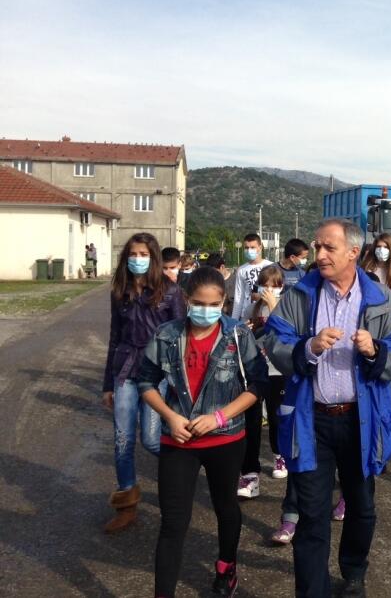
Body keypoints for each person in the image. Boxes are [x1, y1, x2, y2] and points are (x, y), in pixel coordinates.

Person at [261, 218, 391, 597]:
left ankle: (354, 572)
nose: (320, 254)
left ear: (353, 253)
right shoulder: (300, 295)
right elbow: (274, 339)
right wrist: (308, 347)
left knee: (361, 507)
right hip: (312, 421)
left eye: (329, 247)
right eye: (317, 246)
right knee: (312, 515)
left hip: (360, 422)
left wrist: (376, 350)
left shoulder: (380, 298)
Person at [134, 267, 268, 598]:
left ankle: (226, 568)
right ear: (186, 299)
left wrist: (220, 417)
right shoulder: (166, 335)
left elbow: (258, 384)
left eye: (213, 304)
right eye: (198, 303)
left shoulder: (238, 335)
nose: (205, 310)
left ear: (224, 303)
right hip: (178, 441)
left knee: (226, 506)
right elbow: (145, 381)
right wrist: (169, 416)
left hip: (226, 439)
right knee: (173, 522)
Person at [101, 233, 186, 533]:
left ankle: (183, 472)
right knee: (122, 439)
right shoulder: (120, 291)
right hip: (124, 371)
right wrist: (107, 385)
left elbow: (182, 337)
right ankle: (126, 506)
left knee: (151, 439)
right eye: (133, 254)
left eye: (143, 254)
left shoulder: (170, 292)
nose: (137, 259)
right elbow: (114, 337)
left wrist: (178, 381)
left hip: (156, 373)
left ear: (154, 258)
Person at [235, 265, 285, 501]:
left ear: (281, 287)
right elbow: (241, 334)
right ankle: (250, 473)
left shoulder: (285, 306)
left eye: (274, 286)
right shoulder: (252, 307)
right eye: (265, 285)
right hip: (255, 370)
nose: (268, 290)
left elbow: (287, 333)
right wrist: (245, 331)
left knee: (276, 417)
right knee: (252, 421)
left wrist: (273, 308)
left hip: (277, 371)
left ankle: (279, 455)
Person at [360, 233, 391, 417]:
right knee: (368, 365)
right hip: (369, 323)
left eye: (385, 247)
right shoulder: (366, 268)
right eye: (379, 247)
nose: (382, 250)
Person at [232, 233, 272, 322]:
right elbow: (239, 297)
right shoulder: (241, 270)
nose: (249, 250)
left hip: (266, 315)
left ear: (260, 247)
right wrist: (234, 320)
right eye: (246, 248)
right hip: (247, 316)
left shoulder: (271, 266)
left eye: (253, 247)